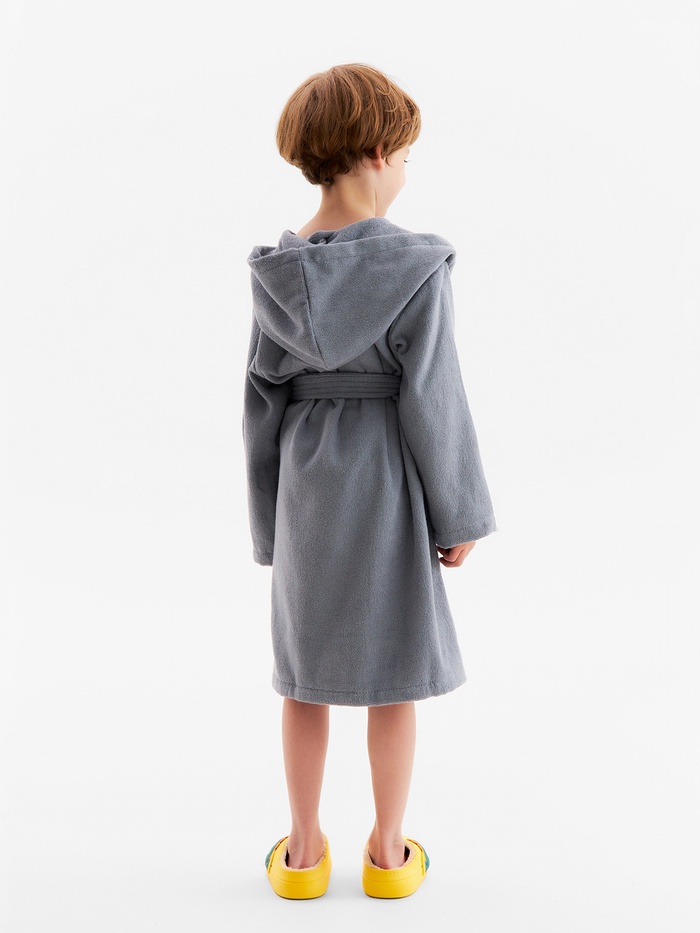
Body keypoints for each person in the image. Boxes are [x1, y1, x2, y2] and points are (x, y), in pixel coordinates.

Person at [242, 63, 497, 899]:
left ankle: (303, 854)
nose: (406, 172)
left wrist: (269, 528)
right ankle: (388, 854)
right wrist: (458, 512)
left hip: (307, 489)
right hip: (387, 477)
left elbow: (260, 407)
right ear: (379, 153)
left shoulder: (276, 276)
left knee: (303, 680)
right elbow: (435, 396)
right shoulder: (415, 267)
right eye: (408, 156)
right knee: (394, 678)